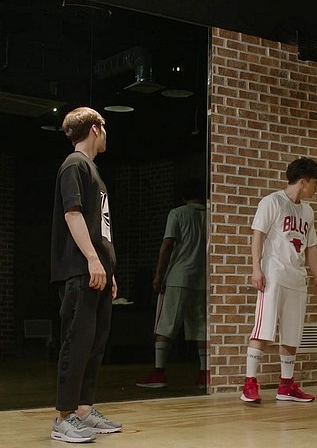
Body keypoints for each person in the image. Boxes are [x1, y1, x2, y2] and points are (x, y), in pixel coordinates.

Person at [50, 107, 122, 443]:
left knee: (94, 344)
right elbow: (72, 214)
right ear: (95, 128)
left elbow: (100, 227)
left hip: (97, 272)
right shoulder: (74, 165)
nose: (106, 134)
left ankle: (83, 409)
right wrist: (92, 259)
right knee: (76, 343)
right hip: (79, 270)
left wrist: (108, 268)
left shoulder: (93, 170)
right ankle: (63, 417)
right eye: (104, 127)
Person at [241, 157, 317, 404]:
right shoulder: (272, 202)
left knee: (291, 334)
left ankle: (286, 385)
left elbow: (311, 246)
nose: (316, 188)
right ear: (303, 182)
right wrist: (256, 268)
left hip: (297, 278)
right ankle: (249, 384)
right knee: (263, 329)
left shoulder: (307, 211)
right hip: (274, 275)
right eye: (315, 182)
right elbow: (258, 235)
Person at [136, 180, 208, 389]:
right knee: (202, 327)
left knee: (165, 324)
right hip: (203, 278)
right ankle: (205, 374)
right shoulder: (211, 215)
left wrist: (158, 275)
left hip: (178, 276)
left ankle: (159, 372)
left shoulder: (177, 213)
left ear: (183, 196)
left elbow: (167, 244)